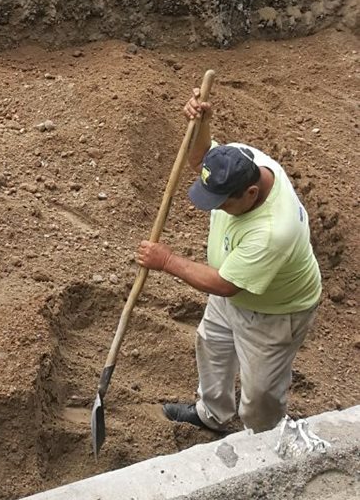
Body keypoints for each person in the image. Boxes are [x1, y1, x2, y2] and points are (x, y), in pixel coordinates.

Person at [135, 87, 322, 435]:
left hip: (275, 312)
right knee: (213, 346)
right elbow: (201, 157)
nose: (215, 207)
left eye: (221, 203)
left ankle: (266, 441)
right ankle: (213, 414)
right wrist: (201, 123)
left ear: (251, 194)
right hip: (232, 293)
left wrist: (167, 261)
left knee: (260, 395)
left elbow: (225, 284)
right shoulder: (241, 159)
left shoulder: (272, 230)